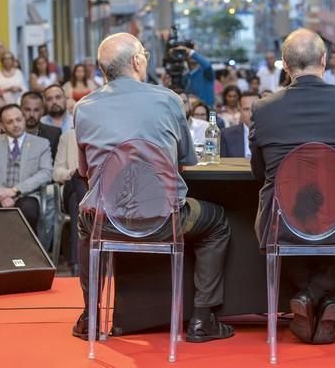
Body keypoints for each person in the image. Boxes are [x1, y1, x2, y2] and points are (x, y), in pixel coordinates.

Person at [72, 32, 234, 342]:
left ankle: (90, 315)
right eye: (144, 53)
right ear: (136, 61)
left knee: (84, 222)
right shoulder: (168, 99)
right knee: (217, 222)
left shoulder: (84, 107)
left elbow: (84, 171)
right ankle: (202, 319)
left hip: (105, 223)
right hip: (164, 221)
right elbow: (185, 161)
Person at [250, 28, 335, 344]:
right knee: (333, 237)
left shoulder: (264, 109)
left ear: (285, 65)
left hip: (282, 219)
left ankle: (308, 296)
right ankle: (324, 299)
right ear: (324, 60)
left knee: (288, 237)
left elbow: (259, 172)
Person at [0, 104, 53, 232]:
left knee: (28, 212)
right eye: (10, 122)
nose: (15, 124)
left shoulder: (41, 144)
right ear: (2, 126)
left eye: (18, 119)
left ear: (24, 119)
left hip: (27, 195)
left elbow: (46, 173)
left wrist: (16, 190)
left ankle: (22, 250)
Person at [53, 128, 85, 274]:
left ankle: (77, 263)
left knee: (76, 199)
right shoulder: (68, 136)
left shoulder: (106, 133)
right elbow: (56, 173)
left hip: (96, 190)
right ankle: (79, 261)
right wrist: (70, 172)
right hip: (72, 184)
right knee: (78, 178)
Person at [20, 92, 61, 161]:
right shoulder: (11, 132)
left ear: (42, 111)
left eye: (36, 110)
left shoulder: (54, 134)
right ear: (20, 110)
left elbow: (56, 165)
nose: (31, 115)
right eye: (27, 110)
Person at [220, 92, 259, 158]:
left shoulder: (272, 134)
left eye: (255, 108)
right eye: (246, 109)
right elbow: (223, 165)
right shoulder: (226, 135)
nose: (251, 114)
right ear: (240, 110)